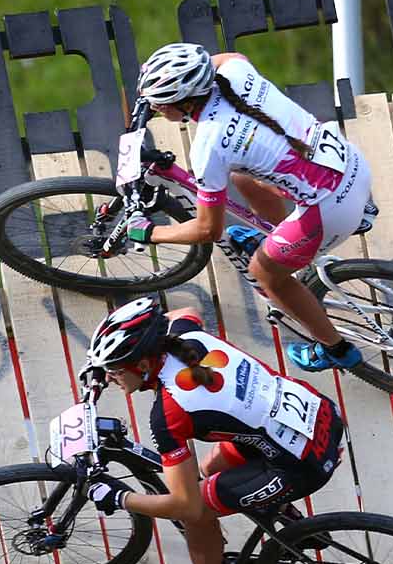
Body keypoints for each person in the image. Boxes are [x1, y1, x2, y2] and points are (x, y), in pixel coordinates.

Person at [82, 295, 345, 564]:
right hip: (320, 415)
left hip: (302, 462)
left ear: (144, 364)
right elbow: (187, 312)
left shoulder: (170, 413)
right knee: (209, 469)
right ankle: (293, 523)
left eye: (114, 370)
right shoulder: (188, 338)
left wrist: (120, 498)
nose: (109, 377)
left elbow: (185, 506)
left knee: (197, 512)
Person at [127, 41, 379, 373]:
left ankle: (335, 348)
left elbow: (208, 229)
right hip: (352, 166)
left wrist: (151, 232)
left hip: (331, 208)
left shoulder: (208, 146)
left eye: (160, 103)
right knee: (243, 178)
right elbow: (220, 58)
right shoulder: (233, 69)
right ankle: (286, 241)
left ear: (184, 100)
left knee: (265, 274)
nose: (156, 108)